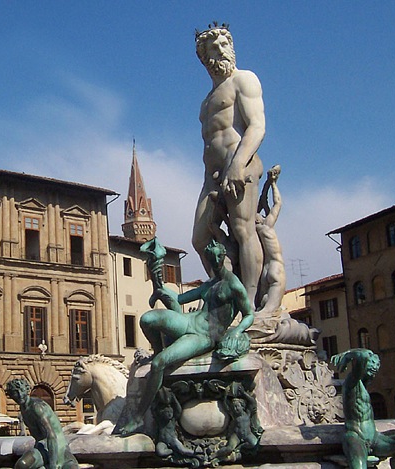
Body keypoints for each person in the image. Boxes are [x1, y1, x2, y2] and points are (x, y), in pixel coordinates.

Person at [118, 240, 254, 435]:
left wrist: (237, 330)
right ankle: (158, 349)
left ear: (223, 257)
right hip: (189, 321)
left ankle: (138, 418)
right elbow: (180, 299)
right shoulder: (210, 284)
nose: (214, 261)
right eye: (210, 257)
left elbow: (249, 314)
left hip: (205, 335)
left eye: (217, 256)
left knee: (159, 364)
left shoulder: (234, 285)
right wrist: (158, 282)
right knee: (147, 319)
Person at [191, 23, 266, 305]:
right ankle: (227, 293)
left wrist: (237, 165)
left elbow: (257, 126)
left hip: (240, 163)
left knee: (243, 230)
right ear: (204, 56)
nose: (221, 51)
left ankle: (248, 302)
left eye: (225, 45)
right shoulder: (207, 100)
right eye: (214, 47)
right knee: (200, 239)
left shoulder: (244, 80)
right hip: (211, 176)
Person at [331, 349, 395, 469]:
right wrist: (347, 356)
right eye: (371, 363)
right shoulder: (352, 383)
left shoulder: (363, 386)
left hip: (375, 439)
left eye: (377, 365)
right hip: (356, 437)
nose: (375, 367)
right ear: (362, 365)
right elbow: (362, 356)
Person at [5, 379, 78, 469]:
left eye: (22, 390)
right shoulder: (23, 409)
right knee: (21, 465)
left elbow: (51, 436)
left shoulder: (37, 407)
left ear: (27, 390)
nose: (20, 395)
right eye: (15, 393)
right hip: (42, 448)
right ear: (11, 396)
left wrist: (52, 465)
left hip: (58, 449)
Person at [254, 165, 285, 315]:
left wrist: (267, 184)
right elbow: (277, 203)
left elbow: (263, 202)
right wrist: (273, 184)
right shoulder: (267, 225)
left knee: (262, 310)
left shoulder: (253, 231)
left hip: (264, 272)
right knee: (268, 311)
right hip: (275, 266)